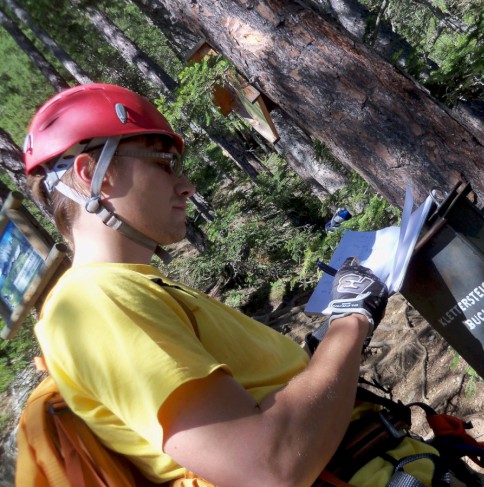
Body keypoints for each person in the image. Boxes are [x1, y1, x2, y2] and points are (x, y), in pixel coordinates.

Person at [23, 83, 439, 486]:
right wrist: (351, 318)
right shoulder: (95, 302)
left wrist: (327, 348)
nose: (186, 185)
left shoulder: (133, 288)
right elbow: (268, 468)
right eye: (164, 163)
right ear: (95, 172)